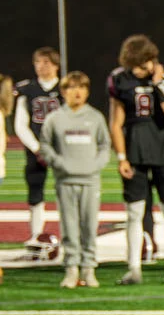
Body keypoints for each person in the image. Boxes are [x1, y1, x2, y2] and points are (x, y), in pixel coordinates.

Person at [106, 36, 164, 284]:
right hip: (134, 152)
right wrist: (121, 157)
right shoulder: (120, 79)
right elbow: (116, 123)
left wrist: (159, 84)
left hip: (162, 151)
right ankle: (133, 268)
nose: (137, 70)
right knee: (134, 213)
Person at [37, 72, 111, 289]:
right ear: (63, 91)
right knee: (69, 228)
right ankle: (71, 270)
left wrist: (95, 165)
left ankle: (89, 269)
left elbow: (105, 145)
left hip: (90, 181)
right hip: (65, 181)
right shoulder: (55, 118)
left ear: (87, 91)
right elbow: (45, 145)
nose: (77, 92)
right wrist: (59, 163)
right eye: (72, 88)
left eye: (82, 88)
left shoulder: (96, 117)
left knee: (89, 227)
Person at [13, 47, 64, 246]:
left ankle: (70, 235)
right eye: (38, 62)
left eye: (46, 62)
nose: (41, 67)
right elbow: (20, 124)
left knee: (67, 191)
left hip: (62, 148)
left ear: (56, 65)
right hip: (37, 149)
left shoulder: (66, 87)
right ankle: (35, 236)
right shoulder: (28, 89)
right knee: (35, 192)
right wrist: (37, 148)